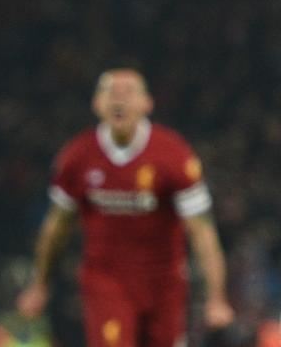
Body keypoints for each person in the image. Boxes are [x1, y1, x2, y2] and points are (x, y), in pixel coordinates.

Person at [16, 68, 235, 347]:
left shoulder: (173, 155)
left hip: (164, 285)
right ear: (96, 103)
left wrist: (217, 298)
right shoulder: (77, 157)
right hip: (106, 282)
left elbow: (202, 232)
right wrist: (39, 284)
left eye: (128, 92)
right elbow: (56, 227)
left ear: (147, 103)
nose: (119, 100)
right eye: (111, 92)